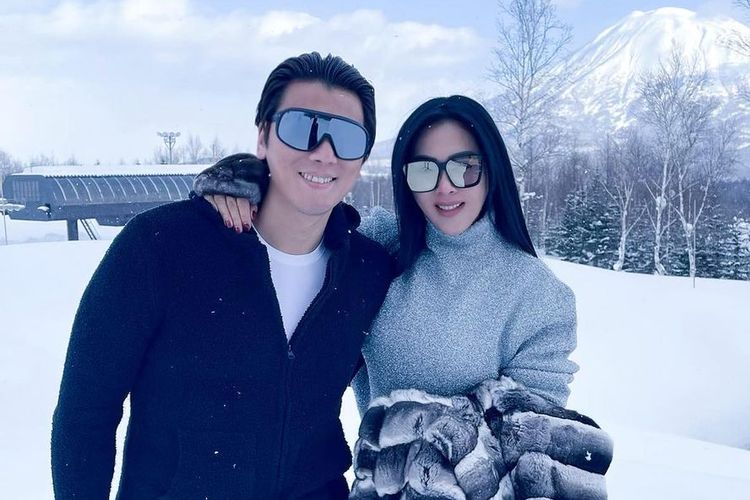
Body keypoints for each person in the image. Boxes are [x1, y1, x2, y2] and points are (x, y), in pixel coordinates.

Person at [197, 96, 612, 498]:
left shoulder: (538, 296)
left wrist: (404, 437)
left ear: (492, 170)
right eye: (424, 170)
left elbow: (522, 445)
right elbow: (298, 229)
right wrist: (249, 186)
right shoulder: (383, 248)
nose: (445, 187)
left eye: (465, 167)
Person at [51, 52, 394, 500]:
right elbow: (85, 413)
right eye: (301, 127)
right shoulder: (162, 246)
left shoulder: (367, 273)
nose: (324, 152)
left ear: (362, 158)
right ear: (263, 137)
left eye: (347, 137)